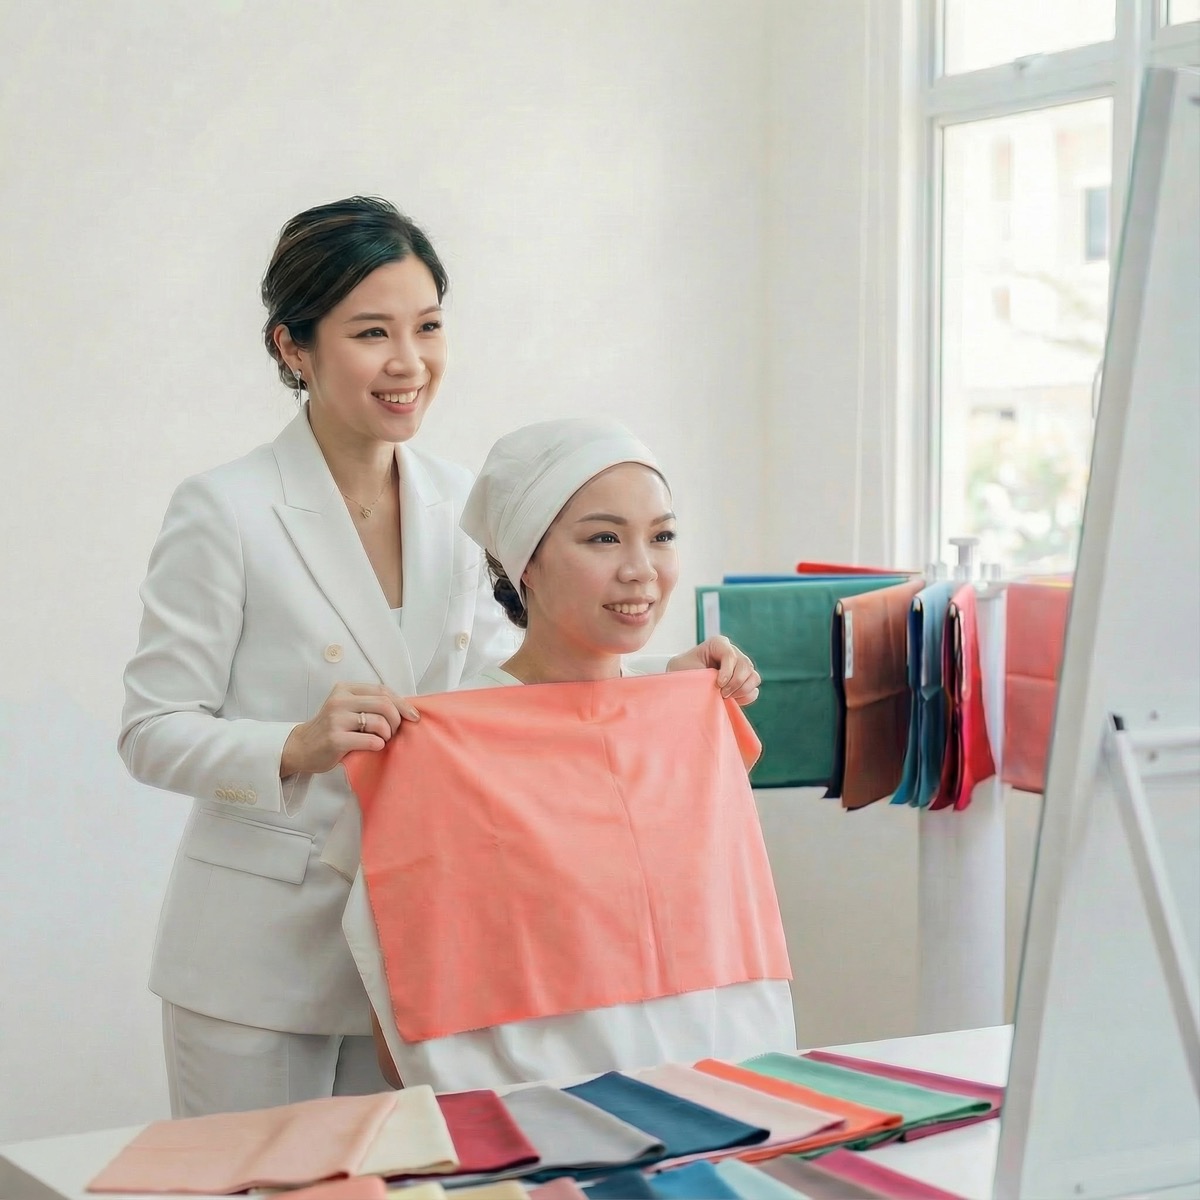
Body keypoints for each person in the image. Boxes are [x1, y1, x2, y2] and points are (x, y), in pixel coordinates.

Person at [118, 198, 761, 1117]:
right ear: (293, 348)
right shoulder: (226, 510)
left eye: (427, 327)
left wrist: (664, 696)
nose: (409, 363)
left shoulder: (462, 501)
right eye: (371, 332)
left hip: (431, 954)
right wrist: (295, 745)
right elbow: (152, 731)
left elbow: (516, 699)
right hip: (262, 965)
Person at [343, 417, 795, 1092]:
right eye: (603, 538)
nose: (641, 570)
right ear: (525, 560)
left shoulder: (687, 708)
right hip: (542, 1124)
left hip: (722, 1098)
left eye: (662, 536)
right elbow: (408, 993)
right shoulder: (442, 749)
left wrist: (681, 700)